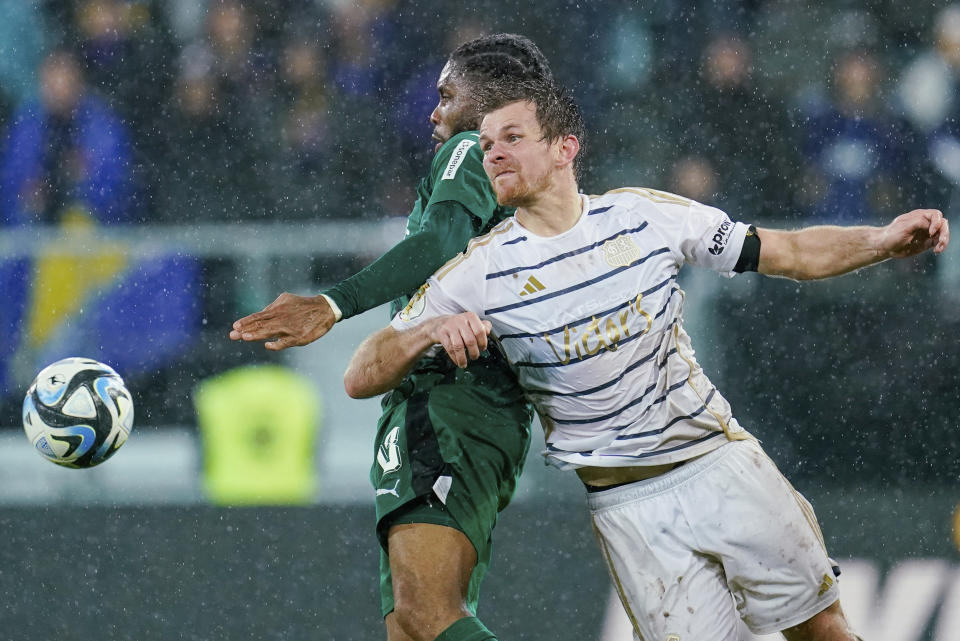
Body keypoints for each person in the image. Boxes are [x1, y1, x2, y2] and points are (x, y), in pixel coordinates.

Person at [343, 77, 949, 641]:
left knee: (824, 634)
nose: (492, 153)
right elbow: (360, 373)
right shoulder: (477, 272)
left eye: (512, 138)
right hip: (628, 506)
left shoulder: (643, 216)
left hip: (721, 466)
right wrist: (431, 331)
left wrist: (881, 241)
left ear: (564, 148)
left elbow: (787, 252)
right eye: (486, 143)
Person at [231, 34, 552, 641]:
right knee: (411, 629)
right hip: (466, 406)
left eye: (446, 95)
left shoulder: (467, 147)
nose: (434, 112)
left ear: (486, 107)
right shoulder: (520, 178)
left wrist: (333, 302)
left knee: (425, 613)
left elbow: (439, 241)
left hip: (450, 398)